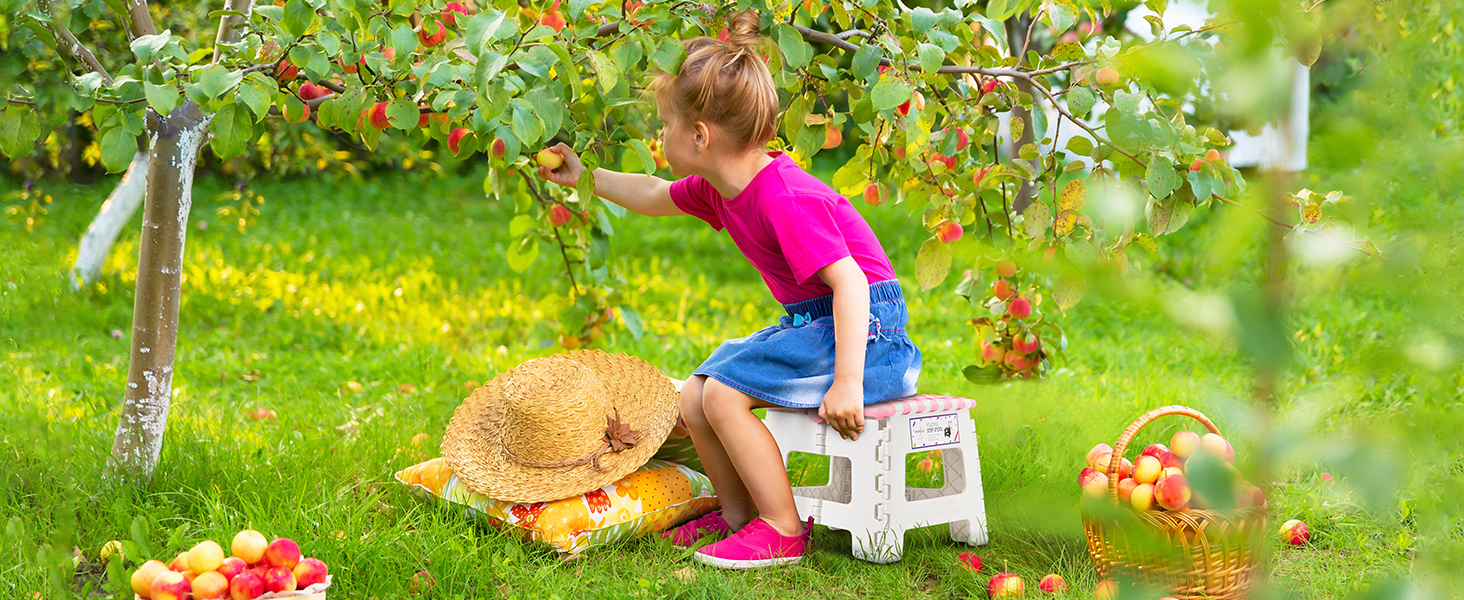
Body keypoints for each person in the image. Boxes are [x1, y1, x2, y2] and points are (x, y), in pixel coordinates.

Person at [534, 10, 921, 569]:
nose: (658, 135)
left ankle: (783, 530)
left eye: (664, 124)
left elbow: (853, 284)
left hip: (867, 335)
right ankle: (740, 518)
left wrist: (847, 384)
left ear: (699, 135)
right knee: (694, 395)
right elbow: (653, 191)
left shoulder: (783, 197)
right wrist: (584, 177)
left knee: (722, 395)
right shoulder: (722, 187)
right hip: (817, 324)